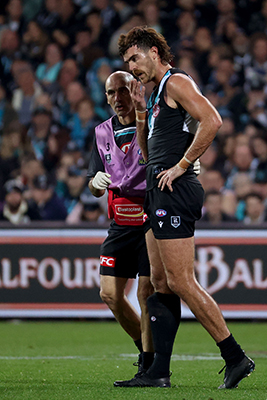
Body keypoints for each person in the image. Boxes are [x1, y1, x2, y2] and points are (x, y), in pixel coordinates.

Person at [116, 26, 254, 389]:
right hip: (157, 190)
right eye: (127, 61)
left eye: (135, 58)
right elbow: (148, 156)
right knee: (157, 281)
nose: (131, 67)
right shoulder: (156, 94)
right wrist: (143, 118)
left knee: (180, 280)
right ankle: (157, 372)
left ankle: (235, 356)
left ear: (155, 53)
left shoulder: (176, 82)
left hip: (176, 189)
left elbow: (213, 120)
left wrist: (182, 164)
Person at [86, 71, 155, 378]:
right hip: (119, 223)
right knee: (110, 294)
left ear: (134, 91)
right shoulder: (101, 133)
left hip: (150, 220)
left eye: (123, 91)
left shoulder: (150, 124)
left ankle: (150, 364)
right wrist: (95, 184)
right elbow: (93, 180)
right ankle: (144, 344)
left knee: (146, 293)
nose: (117, 99)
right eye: (111, 93)